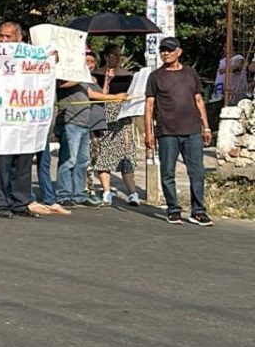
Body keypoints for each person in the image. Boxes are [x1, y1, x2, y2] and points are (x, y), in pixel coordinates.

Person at [144, 37, 215, 226]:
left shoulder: (191, 74)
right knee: (168, 172)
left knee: (197, 172)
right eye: (163, 50)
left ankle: (198, 211)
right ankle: (173, 209)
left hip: (192, 130)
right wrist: (149, 133)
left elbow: (199, 100)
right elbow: (149, 106)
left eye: (169, 50)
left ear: (179, 52)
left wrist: (206, 126)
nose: (165, 53)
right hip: (167, 132)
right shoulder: (156, 77)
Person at [54, 50, 127, 209]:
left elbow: (93, 94)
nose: (89, 64)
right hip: (69, 122)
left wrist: (116, 97)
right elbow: (61, 84)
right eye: (86, 61)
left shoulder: (86, 79)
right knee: (68, 160)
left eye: (91, 62)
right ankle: (63, 194)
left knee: (82, 161)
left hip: (84, 123)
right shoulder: (67, 74)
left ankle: (79, 194)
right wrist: (81, 74)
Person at [0, 22, 39, 220]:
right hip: (2, 118)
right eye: (1, 36)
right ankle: (2, 203)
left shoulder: (31, 56)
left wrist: (51, 62)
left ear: (19, 38)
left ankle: (21, 202)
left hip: (25, 117)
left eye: (8, 37)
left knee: (24, 163)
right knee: (3, 162)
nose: (3, 40)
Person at [91, 45, 140, 206]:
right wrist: (106, 79)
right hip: (105, 115)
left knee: (126, 152)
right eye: (114, 55)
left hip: (123, 116)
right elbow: (100, 95)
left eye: (120, 55)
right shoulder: (96, 74)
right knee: (105, 152)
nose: (118, 58)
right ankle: (106, 190)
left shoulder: (127, 75)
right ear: (106, 56)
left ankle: (132, 193)